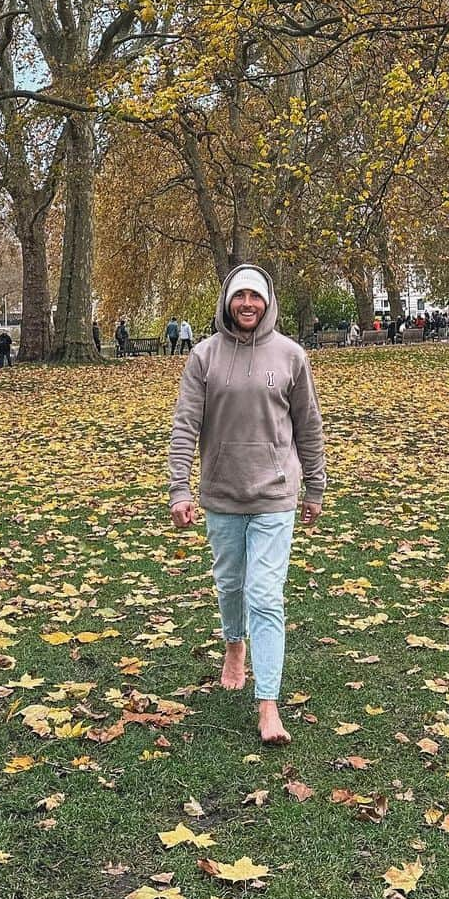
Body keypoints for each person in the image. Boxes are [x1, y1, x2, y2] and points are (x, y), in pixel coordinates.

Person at [169, 264, 326, 746]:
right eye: (240, 297)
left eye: (255, 297)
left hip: (275, 495)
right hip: (222, 493)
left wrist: (315, 487)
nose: (248, 305)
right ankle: (234, 646)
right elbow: (184, 427)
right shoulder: (203, 357)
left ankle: (268, 703)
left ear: (267, 302)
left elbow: (309, 427)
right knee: (231, 583)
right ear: (227, 302)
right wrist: (180, 488)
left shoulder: (291, 355)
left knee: (265, 594)